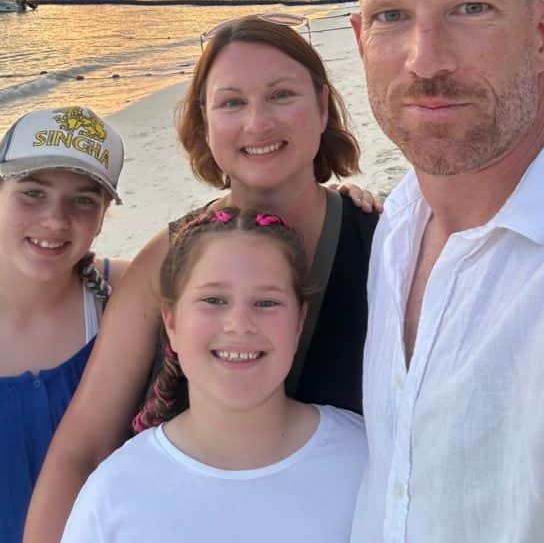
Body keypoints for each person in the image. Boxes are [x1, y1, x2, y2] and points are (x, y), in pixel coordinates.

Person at [24, 16, 378, 542]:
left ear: (323, 107)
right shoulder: (166, 260)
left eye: (281, 95)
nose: (257, 123)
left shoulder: (384, 244)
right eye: (231, 102)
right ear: (205, 124)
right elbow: (83, 446)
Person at [341, 0, 544, 542]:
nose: (425, 60)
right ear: (360, 38)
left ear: (543, 34)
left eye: (470, 8)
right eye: (391, 16)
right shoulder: (400, 220)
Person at [61, 206, 367, 543]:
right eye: (214, 300)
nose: (239, 324)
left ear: (298, 323)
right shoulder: (114, 492)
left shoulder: (367, 460)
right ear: (171, 323)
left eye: (266, 303)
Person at [0, 105, 129, 543]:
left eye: (83, 200)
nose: (55, 220)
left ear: (101, 217)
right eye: (33, 193)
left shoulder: (127, 296)